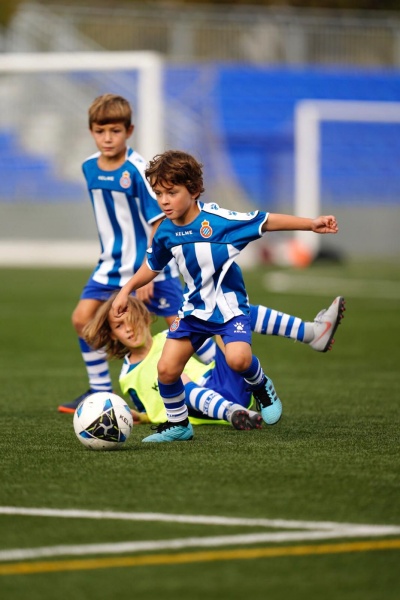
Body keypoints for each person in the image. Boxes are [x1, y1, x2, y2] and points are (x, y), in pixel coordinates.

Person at [112, 150, 341, 443]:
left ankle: (261, 386)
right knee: (167, 369)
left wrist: (310, 224)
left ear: (193, 190)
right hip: (193, 312)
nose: (164, 201)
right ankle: (179, 425)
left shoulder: (219, 221)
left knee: (238, 359)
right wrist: (126, 289)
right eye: (158, 193)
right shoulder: (166, 231)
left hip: (228, 308)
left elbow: (265, 221)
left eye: (172, 192)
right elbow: (152, 266)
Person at [58, 94, 184, 414]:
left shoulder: (139, 169)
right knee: (82, 319)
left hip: (149, 266)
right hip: (111, 265)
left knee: (184, 328)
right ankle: (100, 392)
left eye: (115, 131)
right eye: (101, 131)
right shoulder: (89, 167)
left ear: (129, 131)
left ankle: (216, 382)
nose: (107, 138)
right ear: (91, 132)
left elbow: (158, 223)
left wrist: (149, 269)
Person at [84, 293, 345, 431]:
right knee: (177, 382)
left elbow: (213, 351)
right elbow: (154, 412)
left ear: (143, 316)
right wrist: (137, 416)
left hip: (224, 383)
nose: (128, 328)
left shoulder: (171, 337)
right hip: (200, 411)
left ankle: (312, 333)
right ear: (113, 335)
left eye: (130, 318)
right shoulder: (126, 378)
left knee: (230, 312)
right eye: (118, 326)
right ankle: (235, 414)